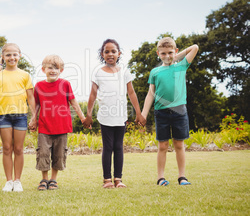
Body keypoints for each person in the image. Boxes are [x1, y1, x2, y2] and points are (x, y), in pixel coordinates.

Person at [83, 39, 146, 189]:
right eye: (107, 51)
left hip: (121, 116)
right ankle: (107, 180)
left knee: (118, 147)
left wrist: (139, 113)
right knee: (108, 147)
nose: (110, 54)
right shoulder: (98, 72)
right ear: (102, 54)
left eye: (113, 51)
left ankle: (118, 179)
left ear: (119, 53)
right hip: (105, 116)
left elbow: (131, 92)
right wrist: (88, 115)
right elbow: (92, 94)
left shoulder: (124, 71)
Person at [142, 37, 198, 186]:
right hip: (161, 112)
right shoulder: (155, 72)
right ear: (158, 54)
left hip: (179, 111)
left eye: (170, 53)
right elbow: (150, 94)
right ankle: (161, 178)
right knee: (163, 146)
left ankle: (182, 177)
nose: (167, 56)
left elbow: (195, 47)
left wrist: (174, 57)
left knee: (179, 145)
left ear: (176, 52)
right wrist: (143, 114)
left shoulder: (181, 66)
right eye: (163, 53)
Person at [30, 55, 87, 191]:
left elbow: (73, 102)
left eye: (56, 68)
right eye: (50, 67)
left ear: (61, 70)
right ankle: (44, 179)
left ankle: (53, 180)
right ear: (44, 69)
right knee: (43, 153)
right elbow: (36, 105)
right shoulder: (39, 86)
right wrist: (33, 119)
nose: (53, 70)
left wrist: (83, 118)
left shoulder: (65, 84)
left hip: (62, 126)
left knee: (59, 154)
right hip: (44, 126)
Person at [0, 43, 36, 192]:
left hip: (21, 116)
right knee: (7, 148)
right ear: (3, 57)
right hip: (4, 116)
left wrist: (34, 116)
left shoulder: (25, 75)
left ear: (19, 56)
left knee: (19, 148)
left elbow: (31, 98)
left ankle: (17, 181)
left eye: (15, 54)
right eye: (8, 55)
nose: (12, 57)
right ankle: (8, 181)